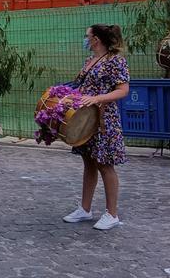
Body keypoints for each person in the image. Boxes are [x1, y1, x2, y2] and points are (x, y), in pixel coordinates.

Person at [62, 24, 130, 231]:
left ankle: (112, 213)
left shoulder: (115, 61)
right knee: (89, 162)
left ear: (96, 39)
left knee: (105, 164)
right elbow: (82, 87)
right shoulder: (89, 61)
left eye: (87, 36)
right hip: (86, 118)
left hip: (104, 119)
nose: (85, 40)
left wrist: (96, 99)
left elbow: (123, 90)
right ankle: (85, 208)